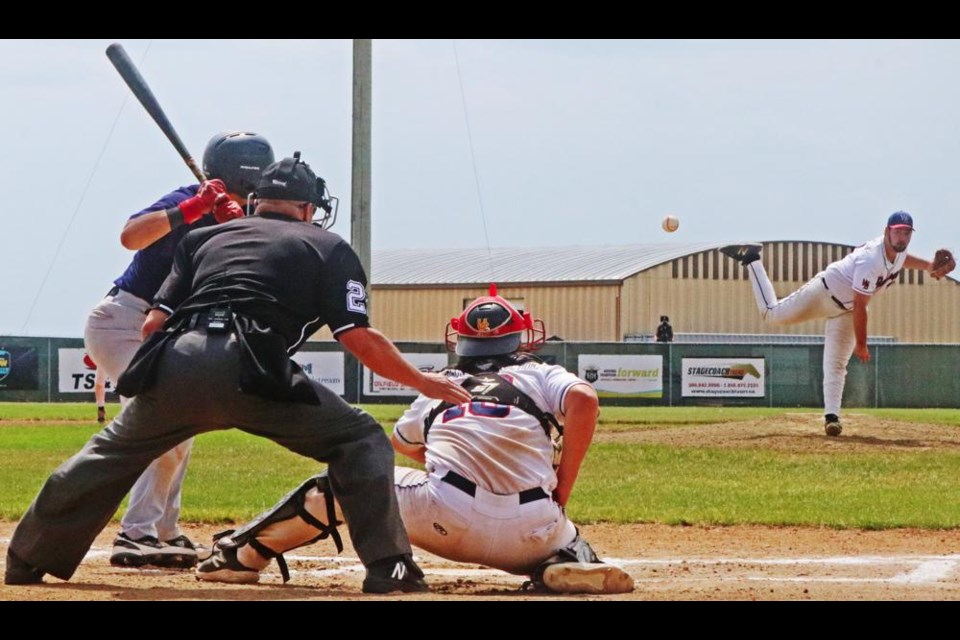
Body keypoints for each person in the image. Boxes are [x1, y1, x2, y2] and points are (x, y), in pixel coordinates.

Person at [4, 152, 472, 593]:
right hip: (257, 369)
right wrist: (424, 382)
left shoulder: (201, 239)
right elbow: (357, 337)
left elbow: (152, 324)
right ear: (307, 209)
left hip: (177, 361)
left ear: (255, 202)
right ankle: (388, 566)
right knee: (361, 439)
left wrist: (169, 389)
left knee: (107, 455)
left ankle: (27, 557)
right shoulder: (329, 247)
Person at [193, 285, 635, 595]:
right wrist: (563, 485)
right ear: (521, 336)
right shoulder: (541, 374)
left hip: (444, 520)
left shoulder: (443, 381)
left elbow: (400, 444)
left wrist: (443, 456)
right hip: (532, 531)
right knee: (566, 536)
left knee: (342, 485)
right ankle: (566, 561)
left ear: (460, 339)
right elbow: (584, 398)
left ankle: (241, 557)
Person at [82, 131, 273, 570]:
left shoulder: (249, 216)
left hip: (164, 329)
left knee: (179, 427)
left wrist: (238, 227)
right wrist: (195, 209)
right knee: (165, 420)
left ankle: (163, 533)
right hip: (124, 322)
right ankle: (137, 535)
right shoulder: (190, 196)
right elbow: (131, 237)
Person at [720, 211, 955, 436]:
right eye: (898, 232)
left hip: (846, 309)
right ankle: (751, 258)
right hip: (823, 293)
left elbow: (903, 260)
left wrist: (929, 267)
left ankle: (831, 418)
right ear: (887, 232)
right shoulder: (871, 260)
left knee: (836, 364)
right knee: (772, 314)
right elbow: (862, 305)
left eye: (906, 232)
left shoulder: (897, 252)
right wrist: (861, 344)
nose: (902, 237)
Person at [83, 353, 108, 424]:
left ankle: (129, 412)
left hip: (117, 356)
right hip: (104, 357)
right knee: (99, 384)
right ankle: (101, 410)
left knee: (124, 383)